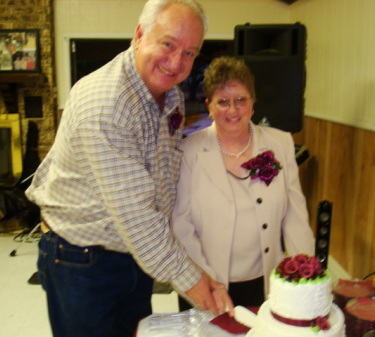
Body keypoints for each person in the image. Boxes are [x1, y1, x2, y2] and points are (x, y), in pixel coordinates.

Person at [25, 1, 233, 337]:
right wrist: (196, 285)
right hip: (81, 259)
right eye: (168, 44)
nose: (177, 62)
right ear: (139, 35)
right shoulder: (105, 104)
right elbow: (138, 219)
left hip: (135, 257)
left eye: (190, 53)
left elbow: (163, 183)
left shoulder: (171, 96)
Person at [171, 56, 315, 310]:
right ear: (209, 106)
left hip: (265, 280)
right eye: (223, 102)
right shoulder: (189, 151)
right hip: (207, 281)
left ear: (253, 101)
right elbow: (182, 225)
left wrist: (304, 273)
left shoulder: (279, 143)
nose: (233, 110)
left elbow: (295, 214)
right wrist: (204, 282)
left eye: (240, 100)